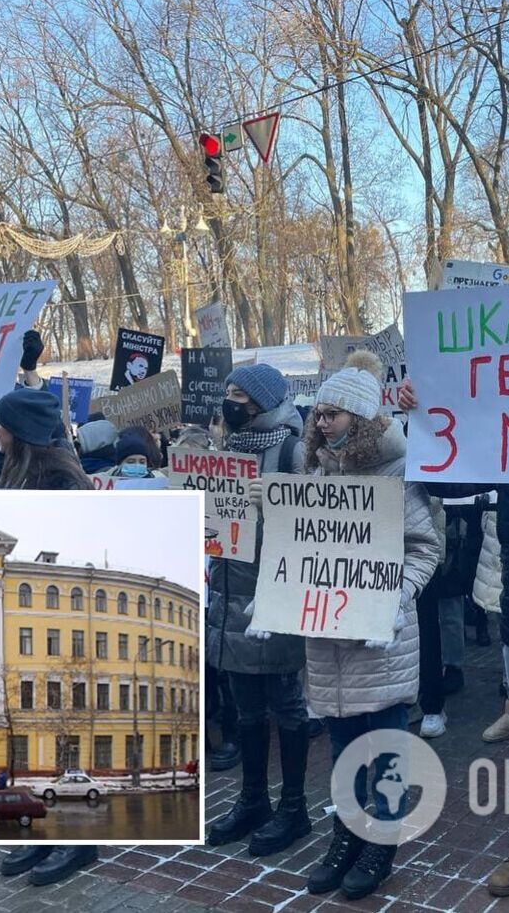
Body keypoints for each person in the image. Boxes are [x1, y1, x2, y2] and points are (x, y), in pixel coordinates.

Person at [280, 353, 442, 899]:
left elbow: (426, 548)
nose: (322, 422)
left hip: (382, 635)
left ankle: (381, 845)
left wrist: (399, 597)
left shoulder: (397, 472)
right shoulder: (315, 471)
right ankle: (345, 837)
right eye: (319, 413)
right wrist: (278, 597)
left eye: (334, 413)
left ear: (363, 417)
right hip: (329, 640)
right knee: (344, 748)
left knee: (388, 747)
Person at [203, 363, 312, 858]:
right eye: (227, 393)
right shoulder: (227, 447)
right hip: (230, 593)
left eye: (238, 395)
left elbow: (314, 518)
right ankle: (252, 800)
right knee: (246, 711)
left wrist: (268, 503)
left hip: (275, 595)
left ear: (262, 400)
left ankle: (293, 807)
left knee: (287, 706)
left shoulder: (292, 449)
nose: (229, 402)